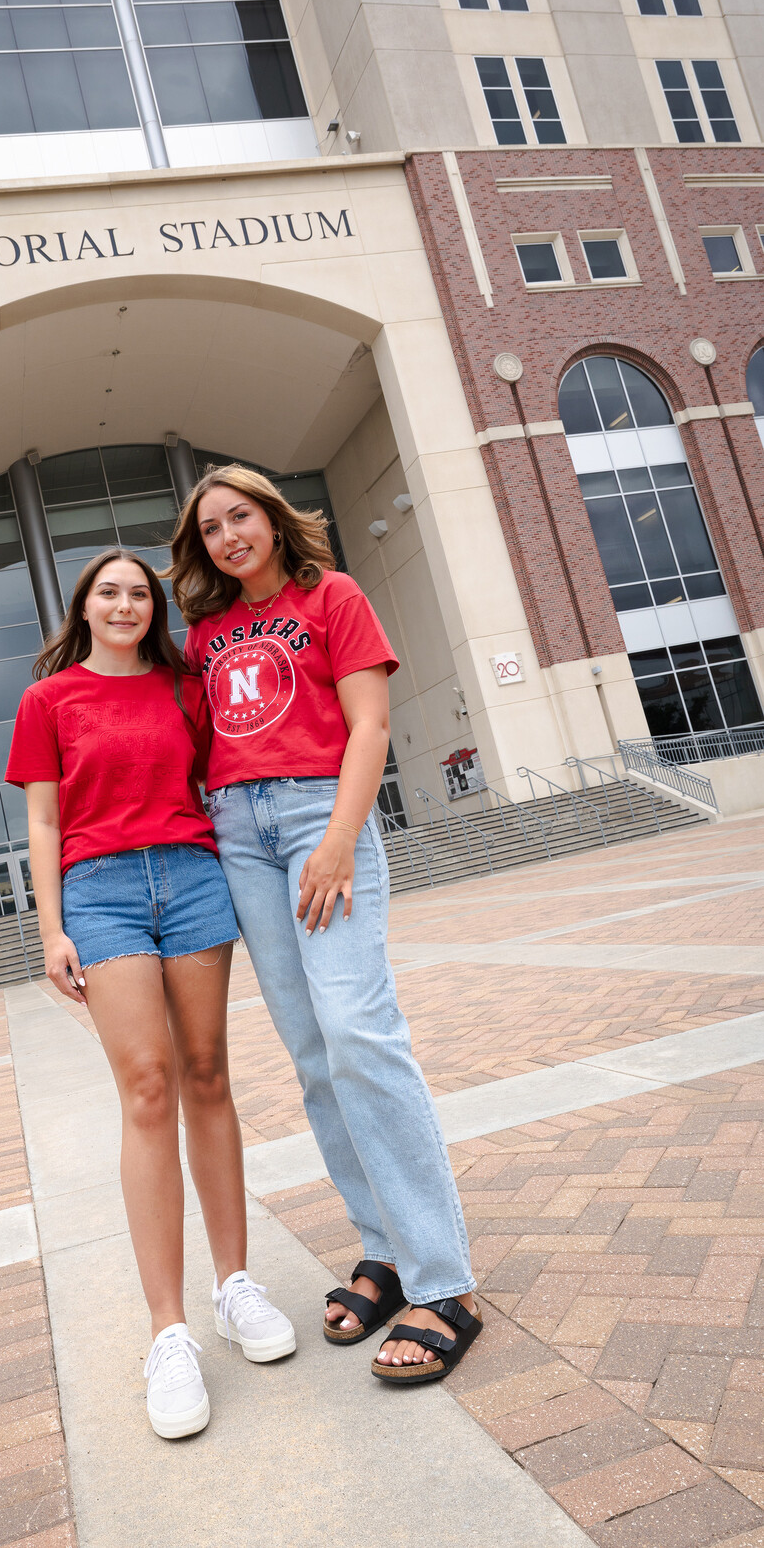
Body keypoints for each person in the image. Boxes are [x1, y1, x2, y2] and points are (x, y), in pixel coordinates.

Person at [170, 467, 481, 1386]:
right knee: (312, 1053)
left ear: (271, 518)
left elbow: (370, 724)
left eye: (241, 516)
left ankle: (446, 1282)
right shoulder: (204, 637)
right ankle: (382, 1252)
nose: (230, 536)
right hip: (238, 830)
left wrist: (342, 839)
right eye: (211, 528)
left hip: (317, 816)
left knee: (359, 1034)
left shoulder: (330, 596)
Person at [6, 548, 295, 1440]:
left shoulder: (184, 684)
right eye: (110, 593)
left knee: (207, 1072)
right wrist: (51, 929)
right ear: (84, 607)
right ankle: (167, 1332)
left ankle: (233, 1285)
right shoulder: (48, 699)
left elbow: (225, 773)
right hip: (100, 892)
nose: (127, 604)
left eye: (140, 593)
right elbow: (44, 820)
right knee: (147, 1086)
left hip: (195, 878)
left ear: (152, 607)